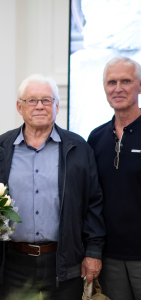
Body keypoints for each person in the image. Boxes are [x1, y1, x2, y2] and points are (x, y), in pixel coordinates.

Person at [0, 74, 106, 300]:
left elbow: (93, 203)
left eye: (47, 100)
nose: (39, 106)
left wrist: (93, 251)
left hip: (63, 261)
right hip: (13, 262)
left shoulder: (79, 148)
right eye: (32, 100)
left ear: (57, 106)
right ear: (19, 107)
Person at [88, 56, 141, 300]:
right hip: (108, 258)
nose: (118, 88)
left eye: (126, 81)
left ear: (139, 86)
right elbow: (90, 199)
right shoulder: (96, 138)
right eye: (111, 82)